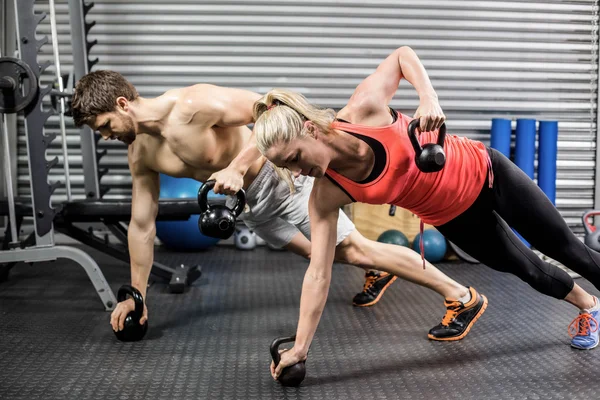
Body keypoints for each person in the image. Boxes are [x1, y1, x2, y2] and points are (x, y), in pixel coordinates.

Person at [252, 45, 600, 380]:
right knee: (529, 270)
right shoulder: (326, 194)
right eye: (287, 167)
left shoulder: (364, 110)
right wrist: (300, 347)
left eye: (295, 158)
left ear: (310, 130)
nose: (297, 172)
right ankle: (588, 306)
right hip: (453, 218)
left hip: (486, 175)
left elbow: (402, 55)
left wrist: (428, 98)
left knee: (570, 251)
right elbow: (318, 273)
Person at [70, 70, 486, 342]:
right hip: (251, 208)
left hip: (280, 180)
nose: (106, 136)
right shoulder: (139, 153)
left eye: (104, 126)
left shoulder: (192, 105)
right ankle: (375, 270)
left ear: (122, 104)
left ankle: (461, 294)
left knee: (350, 248)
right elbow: (142, 226)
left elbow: (273, 111)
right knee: (316, 253)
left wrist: (236, 165)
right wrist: (137, 297)